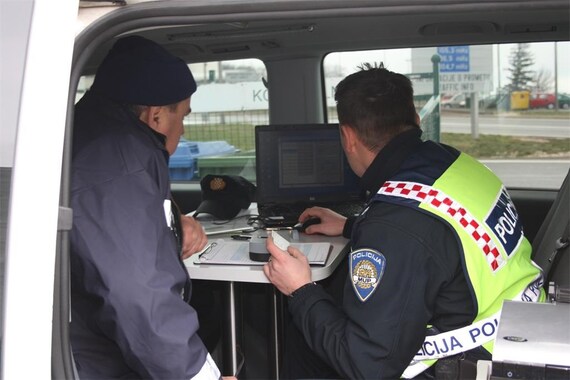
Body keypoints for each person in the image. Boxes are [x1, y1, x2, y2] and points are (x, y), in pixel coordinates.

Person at [263, 63, 545, 379]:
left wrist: (301, 290)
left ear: (347, 136)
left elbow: (369, 366)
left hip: (475, 365)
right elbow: (443, 239)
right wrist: (350, 226)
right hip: (524, 335)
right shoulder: (454, 164)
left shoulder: (396, 224)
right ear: (416, 120)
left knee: (304, 338)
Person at [70, 35, 234, 379]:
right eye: (183, 116)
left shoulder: (94, 133)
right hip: (99, 360)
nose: (184, 128)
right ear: (157, 116)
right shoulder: (118, 160)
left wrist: (174, 221)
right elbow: (138, 297)